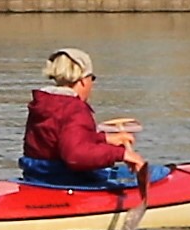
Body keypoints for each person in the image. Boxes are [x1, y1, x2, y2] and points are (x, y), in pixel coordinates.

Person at [18, 48, 158, 191]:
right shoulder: (74, 109)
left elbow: (64, 139)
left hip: (39, 178)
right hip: (65, 182)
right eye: (92, 78)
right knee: (157, 174)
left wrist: (105, 139)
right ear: (83, 80)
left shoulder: (45, 104)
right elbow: (75, 155)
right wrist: (123, 154)